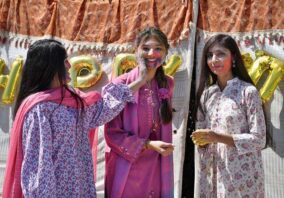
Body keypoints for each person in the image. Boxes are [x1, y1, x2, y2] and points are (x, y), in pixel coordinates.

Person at [2, 39, 153, 198]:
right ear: (50, 66)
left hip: (80, 189)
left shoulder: (70, 99)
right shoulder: (39, 109)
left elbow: (103, 110)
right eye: (63, 61)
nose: (69, 65)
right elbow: (40, 166)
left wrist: (140, 80)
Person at [191, 34, 266, 198]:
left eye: (220, 54)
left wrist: (217, 137)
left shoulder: (248, 92)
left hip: (242, 177)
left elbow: (259, 139)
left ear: (233, 57)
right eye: (209, 55)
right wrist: (202, 140)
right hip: (212, 175)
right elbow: (202, 136)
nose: (214, 59)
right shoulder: (207, 94)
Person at [104, 27, 175, 198]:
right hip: (127, 167)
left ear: (166, 53)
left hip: (157, 166)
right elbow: (112, 134)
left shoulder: (168, 83)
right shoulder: (119, 85)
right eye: (145, 48)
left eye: (158, 48)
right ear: (135, 51)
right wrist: (148, 144)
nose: (152, 53)